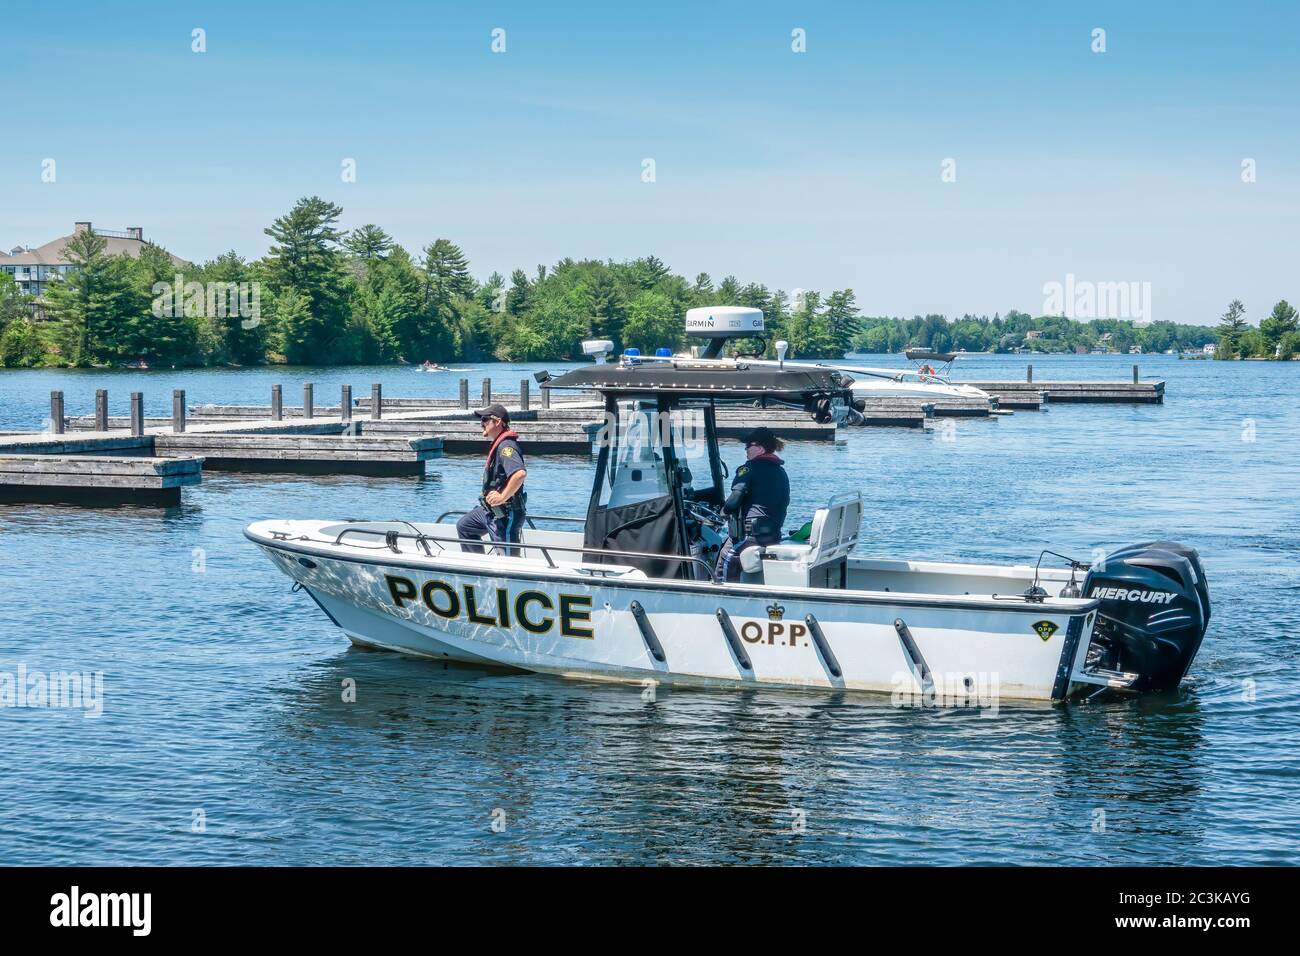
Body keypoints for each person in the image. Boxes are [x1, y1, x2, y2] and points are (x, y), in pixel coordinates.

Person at [715, 426, 790, 582]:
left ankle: (723, 599)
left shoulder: (748, 469)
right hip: (773, 535)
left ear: (761, 448)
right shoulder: (781, 472)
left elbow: (734, 500)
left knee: (725, 561)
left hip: (750, 536)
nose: (746, 449)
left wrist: (723, 512)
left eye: (749, 445)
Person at [457, 403, 527, 554]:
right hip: (490, 511)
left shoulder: (506, 447)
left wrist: (502, 496)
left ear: (497, 422)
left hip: (506, 514)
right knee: (465, 526)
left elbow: (519, 474)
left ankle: (508, 577)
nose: (481, 424)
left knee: (507, 562)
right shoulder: (499, 444)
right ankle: (478, 571)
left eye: (485, 420)